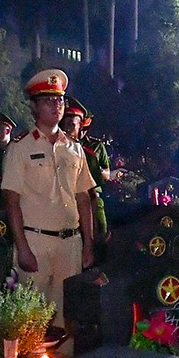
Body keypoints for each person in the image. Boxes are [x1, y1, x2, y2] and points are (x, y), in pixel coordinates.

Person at [2, 68, 95, 326]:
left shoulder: (75, 148)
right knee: (30, 320)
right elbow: (11, 201)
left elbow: (84, 198)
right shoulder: (20, 147)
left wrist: (88, 243)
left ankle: (64, 355)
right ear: (34, 107)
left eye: (60, 100)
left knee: (67, 319)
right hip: (36, 242)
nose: (56, 106)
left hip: (71, 244)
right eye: (48, 100)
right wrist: (22, 248)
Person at [61, 97, 109, 252]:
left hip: (86, 199)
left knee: (99, 235)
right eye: (64, 124)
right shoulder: (50, 148)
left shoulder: (89, 152)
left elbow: (95, 188)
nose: (67, 129)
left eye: (72, 125)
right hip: (61, 202)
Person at [72, 100, 112, 261]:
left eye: (85, 129)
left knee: (101, 231)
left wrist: (95, 170)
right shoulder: (65, 145)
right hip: (71, 196)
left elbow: (107, 173)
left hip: (93, 194)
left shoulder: (95, 146)